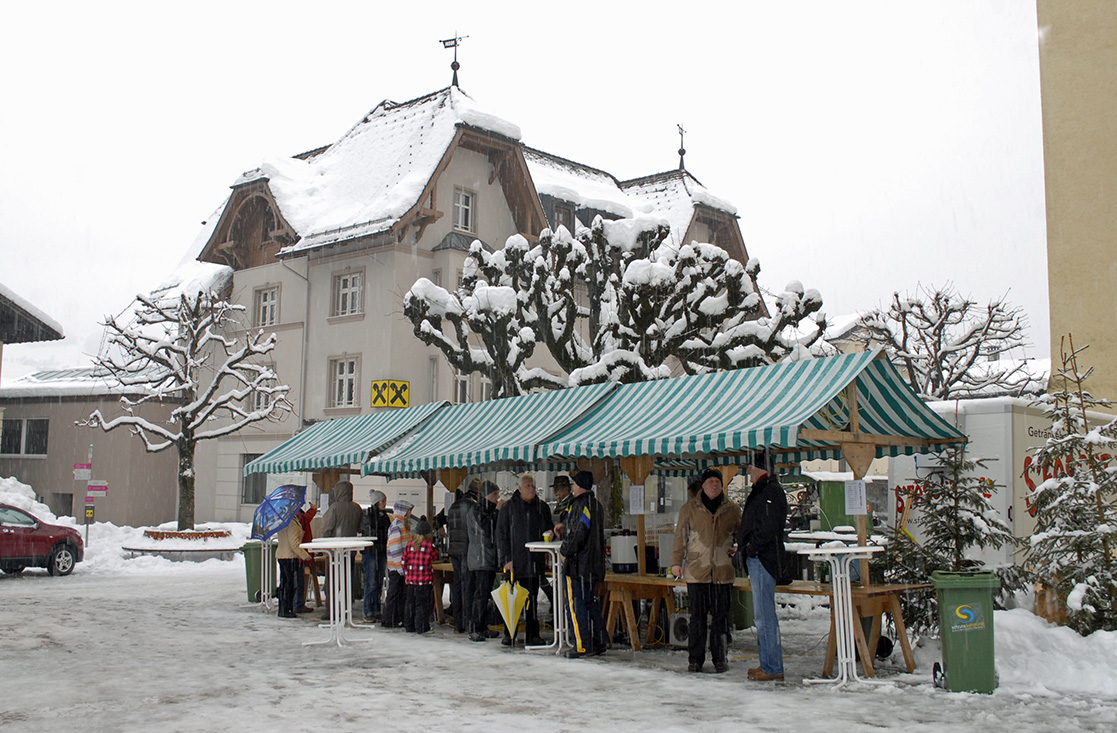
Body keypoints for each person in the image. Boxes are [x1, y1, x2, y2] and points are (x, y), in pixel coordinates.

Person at [671, 468, 742, 673]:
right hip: (697, 571)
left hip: (722, 571)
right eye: (710, 481)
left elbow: (742, 533)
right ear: (702, 485)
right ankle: (695, 659)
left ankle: (720, 658)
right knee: (697, 618)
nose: (714, 484)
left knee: (721, 618)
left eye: (717, 481)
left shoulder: (732, 509)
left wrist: (739, 548)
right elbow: (680, 537)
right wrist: (676, 561)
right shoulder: (689, 509)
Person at [736, 448, 789, 681]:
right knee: (763, 614)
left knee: (764, 615)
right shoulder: (767, 489)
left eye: (751, 466)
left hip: (763, 558)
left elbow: (768, 526)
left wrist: (751, 548)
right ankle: (767, 663)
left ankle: (772, 666)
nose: (748, 470)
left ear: (760, 468)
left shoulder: (769, 491)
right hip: (761, 556)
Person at [496, 473, 553, 646]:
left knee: (532, 601)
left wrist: (551, 533)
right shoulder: (509, 508)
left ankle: (533, 634)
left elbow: (548, 527)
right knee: (512, 600)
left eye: (533, 486)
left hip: (534, 561)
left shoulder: (542, 507)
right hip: (514, 562)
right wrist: (506, 559)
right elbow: (501, 534)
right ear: (519, 488)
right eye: (527, 486)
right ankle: (510, 633)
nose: (531, 489)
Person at [560, 470, 608, 659]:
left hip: (578, 565)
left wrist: (565, 551)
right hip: (593, 565)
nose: (573, 486)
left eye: (574, 483)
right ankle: (599, 640)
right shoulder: (595, 505)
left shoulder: (580, 505)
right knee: (590, 603)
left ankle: (582, 645)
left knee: (576, 605)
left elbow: (579, 533)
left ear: (579, 485)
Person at [319, 480, 364, 615]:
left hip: (334, 550)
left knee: (332, 581)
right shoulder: (357, 508)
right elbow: (360, 527)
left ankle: (331, 610)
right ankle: (346, 607)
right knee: (346, 580)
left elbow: (327, 527)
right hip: (350, 550)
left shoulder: (334, 508)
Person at [465, 481, 501, 642]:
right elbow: (488, 528)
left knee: (484, 595)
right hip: (481, 559)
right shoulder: (478, 510)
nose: (497, 498)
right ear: (487, 495)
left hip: (484, 558)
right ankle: (475, 627)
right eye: (495, 495)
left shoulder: (481, 509)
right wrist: (497, 511)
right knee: (480, 594)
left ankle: (481, 626)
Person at [446, 481, 478, 634]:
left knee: (457, 585)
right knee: (468, 586)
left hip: (454, 550)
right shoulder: (473, 506)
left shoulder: (453, 506)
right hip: (467, 549)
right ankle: (469, 621)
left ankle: (458, 622)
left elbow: (448, 527)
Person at [401, 519, 439, 634]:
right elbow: (435, 557)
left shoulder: (409, 545)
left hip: (411, 581)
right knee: (422, 605)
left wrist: (407, 574)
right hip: (424, 581)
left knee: (410, 604)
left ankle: (409, 625)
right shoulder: (429, 545)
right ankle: (421, 626)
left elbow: (404, 561)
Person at [382, 499, 414, 628]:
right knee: (394, 593)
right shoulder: (397, 526)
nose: (410, 513)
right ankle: (388, 619)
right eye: (408, 511)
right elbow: (395, 549)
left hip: (402, 566)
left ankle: (398, 617)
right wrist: (401, 568)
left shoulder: (404, 525)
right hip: (397, 567)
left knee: (401, 593)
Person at [361, 490, 391, 622]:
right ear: (376, 502)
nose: (385, 503)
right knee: (371, 582)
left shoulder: (385, 516)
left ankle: (376, 609)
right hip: (371, 553)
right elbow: (368, 531)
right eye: (383, 501)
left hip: (380, 552)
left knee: (378, 582)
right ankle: (368, 611)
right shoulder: (368, 516)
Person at [276, 512, 312, 618]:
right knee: (290, 584)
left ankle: (283, 609)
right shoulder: (291, 523)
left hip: (282, 555)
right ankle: (287, 609)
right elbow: (294, 544)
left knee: (284, 583)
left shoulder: (283, 521)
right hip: (290, 556)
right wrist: (305, 556)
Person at [293, 503, 317, 613]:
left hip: (298, 554)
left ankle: (296, 603)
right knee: (299, 580)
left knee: (297, 580)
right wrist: (313, 510)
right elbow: (305, 519)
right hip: (300, 554)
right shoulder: (297, 519)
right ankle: (298, 604)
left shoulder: (294, 518)